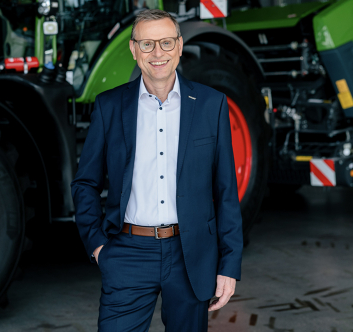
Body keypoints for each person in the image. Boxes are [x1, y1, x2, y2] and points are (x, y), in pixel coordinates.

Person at [71, 9, 243, 331]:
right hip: (128, 253)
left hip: (191, 255)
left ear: (179, 45)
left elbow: (225, 192)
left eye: (166, 42)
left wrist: (229, 265)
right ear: (134, 50)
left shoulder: (211, 104)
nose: (158, 53)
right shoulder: (109, 106)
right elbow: (85, 183)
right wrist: (98, 247)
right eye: (147, 44)